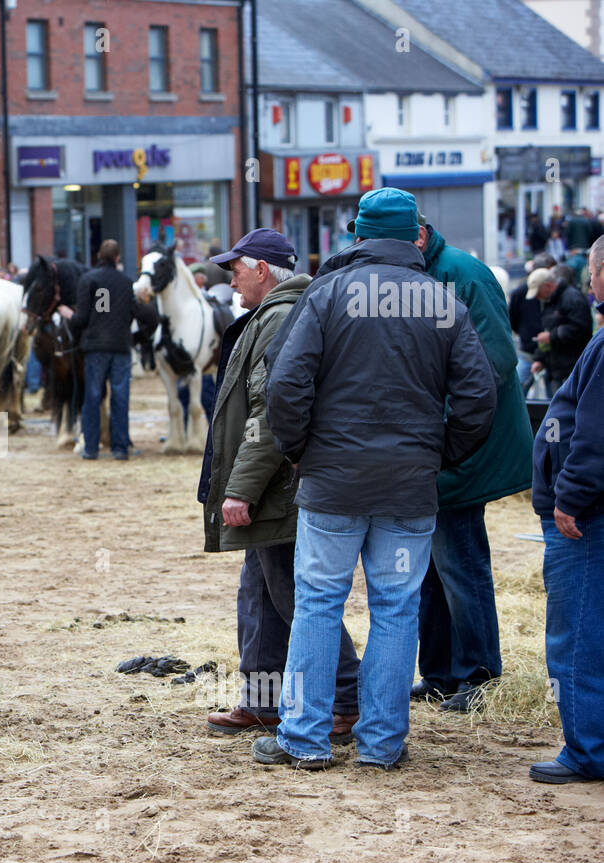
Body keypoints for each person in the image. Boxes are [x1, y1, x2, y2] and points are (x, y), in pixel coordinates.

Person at [259, 187, 496, 770]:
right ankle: (383, 744)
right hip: (408, 488)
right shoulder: (441, 301)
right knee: (396, 608)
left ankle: (306, 739)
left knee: (318, 603)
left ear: (357, 235)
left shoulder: (327, 293)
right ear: (415, 236)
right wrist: (437, 455)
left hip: (333, 484)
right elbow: (479, 397)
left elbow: (284, 387)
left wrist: (299, 452)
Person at [198, 228, 360, 738]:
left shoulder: (279, 319)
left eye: (236, 269)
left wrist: (242, 487)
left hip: (279, 489)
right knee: (260, 594)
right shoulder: (272, 315)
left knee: (293, 594)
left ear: (262, 269)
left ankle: (347, 699)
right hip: (275, 485)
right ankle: (264, 700)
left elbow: (269, 415)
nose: (231, 280)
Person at [412, 215, 534, 713]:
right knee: (432, 568)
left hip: (464, 445)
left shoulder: (464, 273)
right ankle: (440, 673)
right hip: (441, 444)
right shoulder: (420, 274)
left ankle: (479, 676)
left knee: (460, 562)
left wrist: (440, 427)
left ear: (417, 236)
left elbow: (497, 361)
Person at [529, 234, 604, 783]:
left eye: (593, 272)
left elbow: (594, 435)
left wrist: (569, 498)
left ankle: (587, 751)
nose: (589, 282)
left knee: (578, 635)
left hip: (588, 519)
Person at [70, 239, 133, 460]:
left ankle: (91, 448)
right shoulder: (126, 282)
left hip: (95, 347)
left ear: (98, 255)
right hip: (121, 346)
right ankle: (120, 447)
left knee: (93, 397)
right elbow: (132, 312)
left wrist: (69, 316)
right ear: (117, 258)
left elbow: (83, 317)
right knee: (120, 397)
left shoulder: (89, 279)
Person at [527, 266, 592, 395]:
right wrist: (539, 359)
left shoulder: (572, 298)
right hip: (555, 371)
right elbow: (548, 330)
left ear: (547, 286)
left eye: (538, 292)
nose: (538, 297)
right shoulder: (550, 301)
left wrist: (552, 336)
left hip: (571, 370)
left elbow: (581, 328)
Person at [511, 253, 555, 393]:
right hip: (529, 349)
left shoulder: (556, 294)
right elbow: (512, 317)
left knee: (553, 396)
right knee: (518, 391)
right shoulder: (520, 292)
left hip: (552, 352)